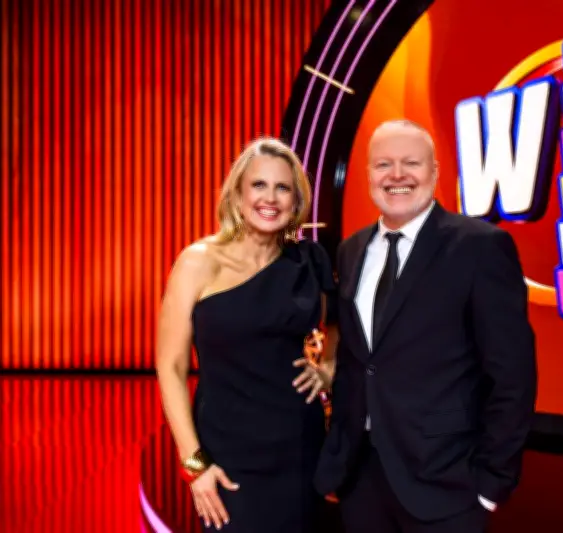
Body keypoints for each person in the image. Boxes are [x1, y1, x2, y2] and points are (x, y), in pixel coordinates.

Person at [314, 120, 537, 533]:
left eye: (411, 163)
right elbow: (358, 362)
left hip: (447, 483)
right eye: (384, 164)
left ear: (434, 172)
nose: (397, 175)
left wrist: (492, 483)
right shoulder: (351, 250)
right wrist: (337, 459)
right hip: (360, 479)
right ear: (368, 175)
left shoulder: (480, 247)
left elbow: (513, 375)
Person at [156, 138, 337, 532]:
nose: (270, 198)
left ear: (296, 201)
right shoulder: (198, 262)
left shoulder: (309, 261)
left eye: (282, 188)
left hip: (299, 447)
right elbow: (170, 367)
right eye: (259, 185)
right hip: (227, 453)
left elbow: (338, 321)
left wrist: (328, 367)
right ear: (237, 195)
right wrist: (194, 463)